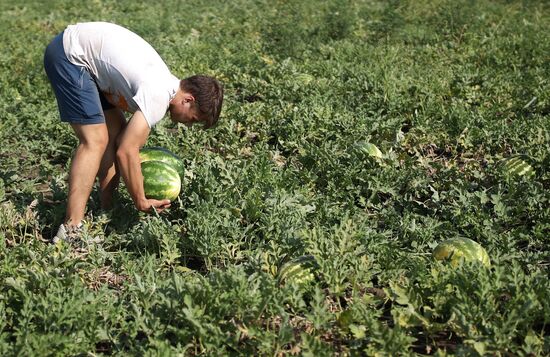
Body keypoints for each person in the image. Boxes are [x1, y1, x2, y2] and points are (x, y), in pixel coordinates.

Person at [43, 22, 223, 243]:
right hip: (70, 55)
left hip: (84, 60)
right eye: (193, 119)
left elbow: (123, 143)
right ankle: (71, 230)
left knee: (115, 132)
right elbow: (127, 152)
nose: (188, 125)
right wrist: (141, 201)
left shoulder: (163, 84)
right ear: (188, 100)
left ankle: (106, 210)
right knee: (95, 140)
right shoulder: (159, 95)